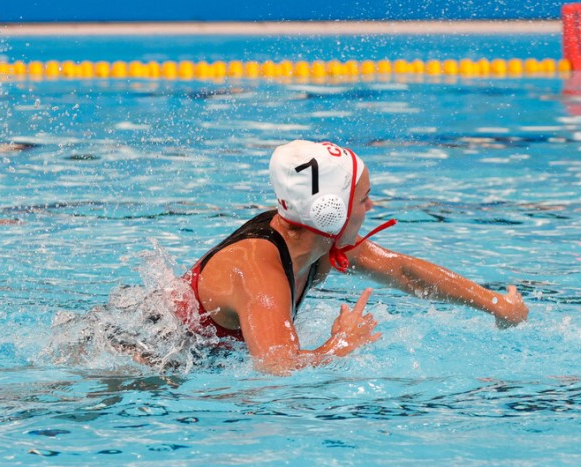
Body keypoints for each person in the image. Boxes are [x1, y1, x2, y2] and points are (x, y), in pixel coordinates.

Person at [180, 139, 528, 375]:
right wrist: (341, 344)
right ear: (329, 212)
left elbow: (401, 271)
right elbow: (277, 368)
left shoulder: (314, 241)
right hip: (148, 364)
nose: (370, 207)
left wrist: (495, 303)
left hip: (195, 361)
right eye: (363, 199)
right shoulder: (257, 269)